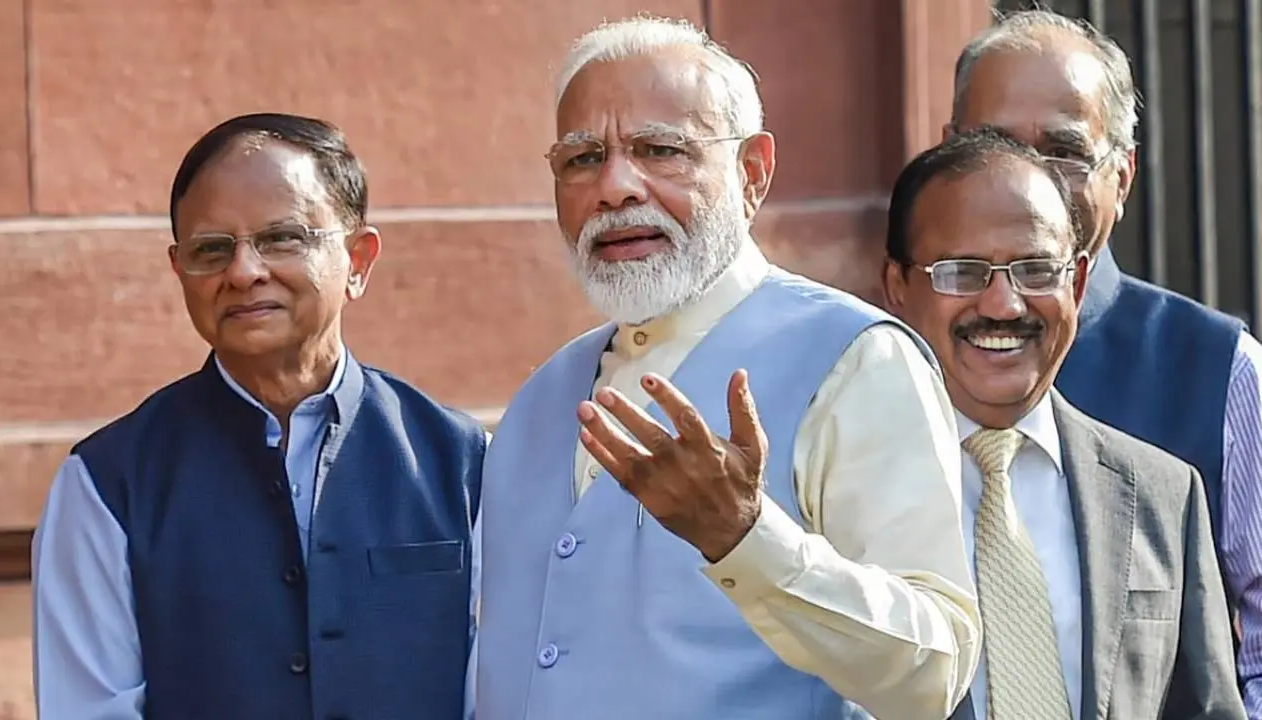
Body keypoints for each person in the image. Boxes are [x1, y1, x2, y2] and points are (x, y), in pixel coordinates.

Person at [472, 16, 981, 720]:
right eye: (583, 159)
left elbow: (933, 674)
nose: (616, 188)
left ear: (752, 173)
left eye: (660, 150)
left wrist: (749, 539)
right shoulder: (540, 400)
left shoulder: (855, 360)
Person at [30, 113, 486, 719]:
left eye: (282, 238)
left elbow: (506, 690)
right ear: (179, 270)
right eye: (212, 249)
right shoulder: (108, 485)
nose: (244, 272)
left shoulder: (461, 461)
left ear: (358, 260)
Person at [946, 9, 1262, 710]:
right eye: (994, 143)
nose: (1027, 177)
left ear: (1122, 175)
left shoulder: (1218, 371)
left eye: (1063, 150)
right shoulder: (878, 365)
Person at [884, 126, 1245, 719]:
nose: (1004, 305)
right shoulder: (837, 490)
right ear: (897, 286)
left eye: (1034, 270)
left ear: (1076, 283)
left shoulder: (1162, 493)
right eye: (963, 273)